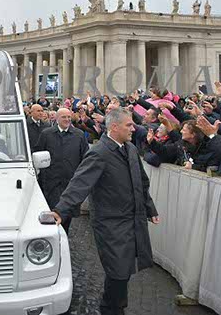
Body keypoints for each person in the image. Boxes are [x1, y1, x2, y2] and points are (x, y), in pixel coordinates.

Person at [51, 108, 159, 315]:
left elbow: (141, 183)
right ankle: (110, 309)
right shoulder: (99, 152)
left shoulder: (130, 149)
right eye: (129, 125)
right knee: (118, 270)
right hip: (110, 224)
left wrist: (149, 208)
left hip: (131, 220)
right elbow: (80, 183)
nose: (133, 128)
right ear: (114, 127)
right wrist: (60, 211)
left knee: (124, 271)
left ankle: (114, 307)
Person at [35, 108, 88, 234]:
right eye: (64, 117)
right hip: (51, 182)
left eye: (69, 117)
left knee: (67, 214)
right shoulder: (46, 134)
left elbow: (85, 157)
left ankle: (64, 238)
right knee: (52, 213)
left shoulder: (79, 135)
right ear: (57, 118)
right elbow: (38, 153)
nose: (67, 119)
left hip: (70, 183)